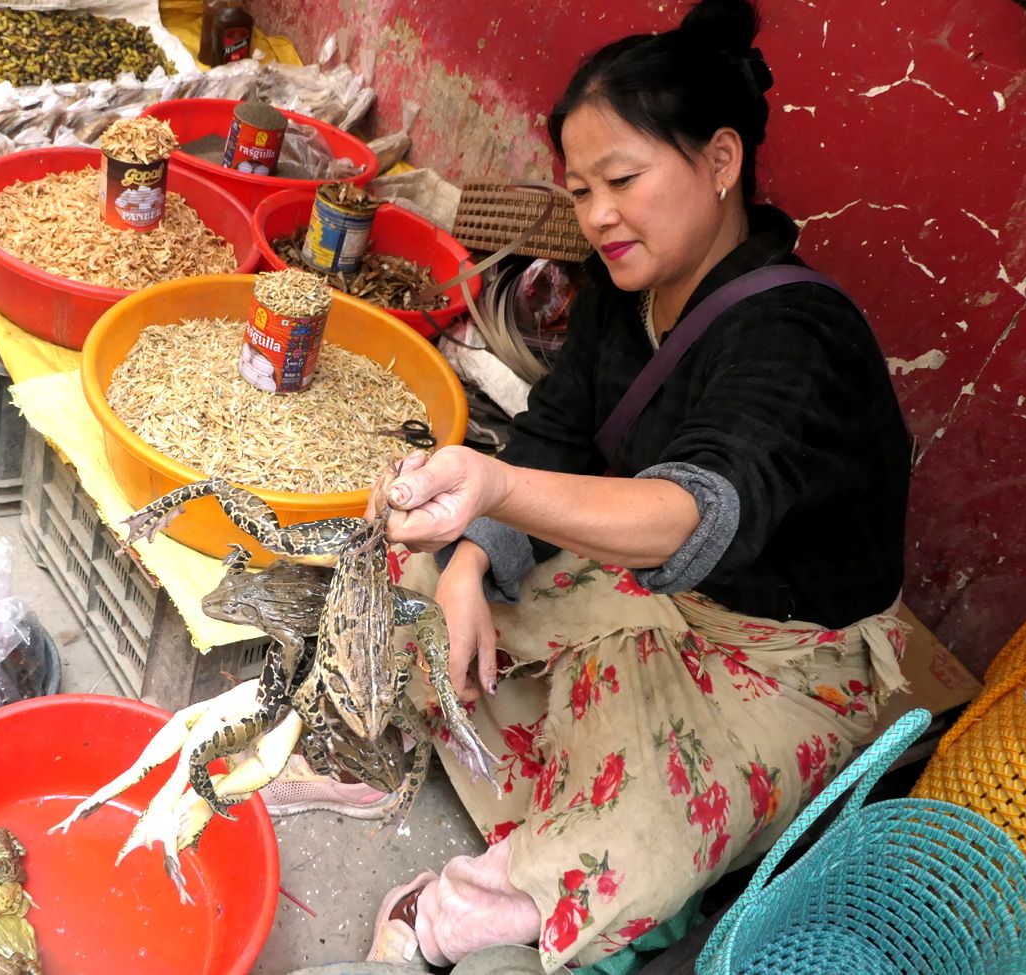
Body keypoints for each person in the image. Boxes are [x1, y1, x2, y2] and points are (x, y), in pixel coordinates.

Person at [260, 0, 914, 969]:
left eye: (622, 180)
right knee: (407, 582)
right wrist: (470, 563)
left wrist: (493, 494)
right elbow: (557, 434)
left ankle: (459, 908)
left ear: (721, 162)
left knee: (638, 835)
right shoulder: (624, 289)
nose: (597, 214)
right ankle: (358, 752)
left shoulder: (799, 341)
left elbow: (699, 515)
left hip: (781, 660)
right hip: (645, 590)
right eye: (579, 190)